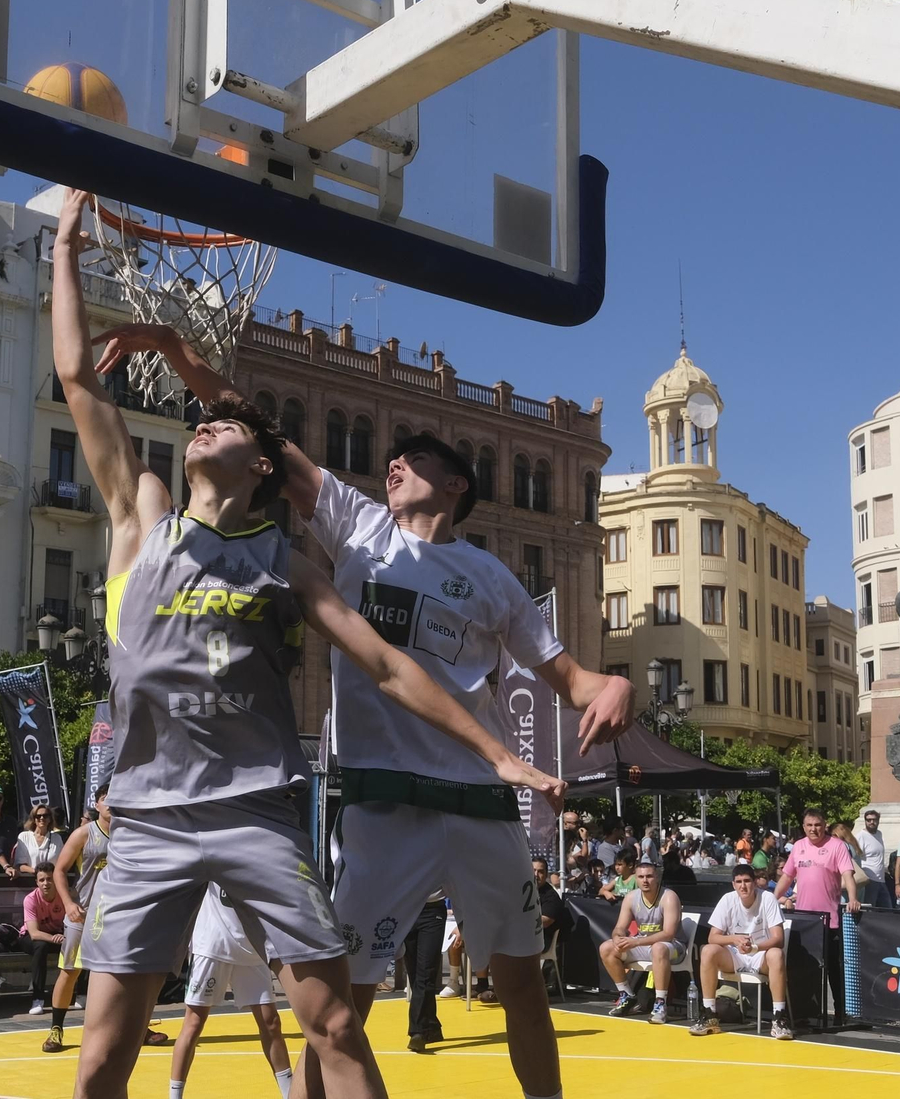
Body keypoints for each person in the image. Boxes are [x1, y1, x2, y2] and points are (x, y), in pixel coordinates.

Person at [51, 188, 560, 1099]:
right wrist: (63, 254)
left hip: (256, 811)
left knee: (333, 1023)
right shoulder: (142, 521)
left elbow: (388, 664)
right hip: (152, 814)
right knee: (100, 1061)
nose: (202, 422)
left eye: (228, 426)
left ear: (262, 470)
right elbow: (81, 381)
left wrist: (500, 753)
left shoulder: (289, 560)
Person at [132, 313, 631, 1099]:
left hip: (479, 803)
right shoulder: (357, 527)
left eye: (416, 457)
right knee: (341, 1011)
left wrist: (618, 686)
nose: (394, 461)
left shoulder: (491, 575)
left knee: (523, 990)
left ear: (457, 483)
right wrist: (178, 355)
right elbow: (255, 423)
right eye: (392, 456)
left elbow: (573, 678)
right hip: (378, 806)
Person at [171, 886, 291, 1099]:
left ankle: (290, 1094)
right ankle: (174, 1096)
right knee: (194, 1022)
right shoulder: (206, 853)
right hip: (212, 944)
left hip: (252, 945)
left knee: (271, 1022)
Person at [45, 784, 135, 1053]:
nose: (110, 804)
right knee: (70, 971)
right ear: (96, 805)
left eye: (114, 798)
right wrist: (68, 903)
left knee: (124, 973)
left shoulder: (128, 834)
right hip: (83, 912)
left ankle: (135, 1026)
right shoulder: (84, 834)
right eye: (105, 799)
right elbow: (59, 871)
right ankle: (56, 1029)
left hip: (116, 914)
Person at [690, 864, 792, 1040]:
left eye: (747, 881)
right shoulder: (727, 900)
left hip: (761, 955)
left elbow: (778, 939)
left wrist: (755, 947)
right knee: (708, 951)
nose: (743, 886)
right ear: (733, 884)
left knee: (776, 953)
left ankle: (779, 1018)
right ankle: (709, 1014)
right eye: (739, 882)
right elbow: (712, 937)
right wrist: (734, 939)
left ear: (755, 883)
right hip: (735, 956)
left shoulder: (767, 898)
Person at [598, 862, 690, 1025]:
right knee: (606, 948)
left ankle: (660, 1003)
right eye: (641, 877)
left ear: (657, 878)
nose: (645, 880)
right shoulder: (631, 897)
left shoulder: (669, 897)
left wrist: (636, 941)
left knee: (659, 948)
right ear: (636, 878)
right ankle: (626, 995)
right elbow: (619, 927)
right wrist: (618, 936)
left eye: (649, 876)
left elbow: (668, 934)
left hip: (674, 947)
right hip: (643, 944)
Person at [400, 891, 449, 1050]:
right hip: (406, 910)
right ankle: (432, 1027)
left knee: (426, 972)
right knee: (414, 974)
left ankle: (417, 1031)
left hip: (432, 911)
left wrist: (463, 921)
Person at [21, 864, 67, 1016]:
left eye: (49, 879)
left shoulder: (65, 896)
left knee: (80, 943)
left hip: (58, 936)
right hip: (31, 937)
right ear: (37, 882)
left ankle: (81, 994)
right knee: (40, 947)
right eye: (41, 880)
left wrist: (65, 937)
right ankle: (37, 999)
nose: (46, 883)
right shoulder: (30, 899)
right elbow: (34, 933)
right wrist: (56, 938)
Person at [854, 810, 890, 908]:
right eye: (868, 820)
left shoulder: (879, 834)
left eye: (874, 820)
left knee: (887, 909)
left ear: (878, 820)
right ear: (865, 821)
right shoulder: (860, 836)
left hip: (881, 879)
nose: (871, 822)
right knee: (869, 910)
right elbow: (856, 858)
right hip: (869, 880)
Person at [13, 803, 65, 872]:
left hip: (51, 880)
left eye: (45, 816)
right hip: (29, 880)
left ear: (50, 819)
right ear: (34, 819)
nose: (42, 818)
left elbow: (61, 863)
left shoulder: (57, 838)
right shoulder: (24, 837)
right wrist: (37, 872)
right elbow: (19, 865)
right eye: (38, 816)